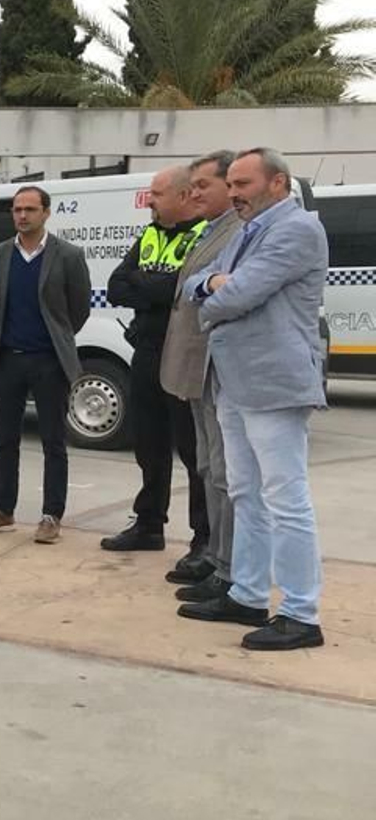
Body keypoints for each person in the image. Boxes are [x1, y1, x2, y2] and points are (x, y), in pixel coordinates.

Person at [177, 148, 328, 651]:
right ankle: (247, 593)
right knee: (245, 491)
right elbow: (194, 283)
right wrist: (215, 285)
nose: (234, 193)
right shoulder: (245, 230)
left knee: (286, 498)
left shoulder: (297, 229)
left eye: (242, 183)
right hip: (234, 381)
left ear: (278, 183)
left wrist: (215, 292)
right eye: (233, 183)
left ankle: (301, 612)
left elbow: (238, 295)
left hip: (274, 382)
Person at [0, 186, 91, 544]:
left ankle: (51, 515)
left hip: (48, 361)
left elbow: (77, 309)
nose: (23, 215)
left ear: (46, 213)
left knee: (53, 440)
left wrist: (56, 340)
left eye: (30, 209)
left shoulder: (67, 255)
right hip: (8, 359)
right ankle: (2, 509)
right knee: (4, 440)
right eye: (17, 209)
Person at [101, 165, 208, 555]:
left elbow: (180, 291)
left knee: (192, 448)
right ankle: (149, 525)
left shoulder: (203, 235)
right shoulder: (148, 234)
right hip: (145, 350)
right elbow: (116, 286)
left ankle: (204, 536)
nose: (150, 200)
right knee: (149, 443)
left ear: (182, 196)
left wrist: (147, 287)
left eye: (157, 194)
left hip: (182, 352)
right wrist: (157, 289)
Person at [159, 152, 241, 602]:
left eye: (202, 186)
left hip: (214, 366)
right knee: (207, 467)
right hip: (192, 367)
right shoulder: (207, 230)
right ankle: (215, 555)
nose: (193, 194)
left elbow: (220, 289)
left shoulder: (236, 231)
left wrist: (204, 285)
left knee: (224, 473)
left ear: (230, 186)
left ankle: (228, 566)